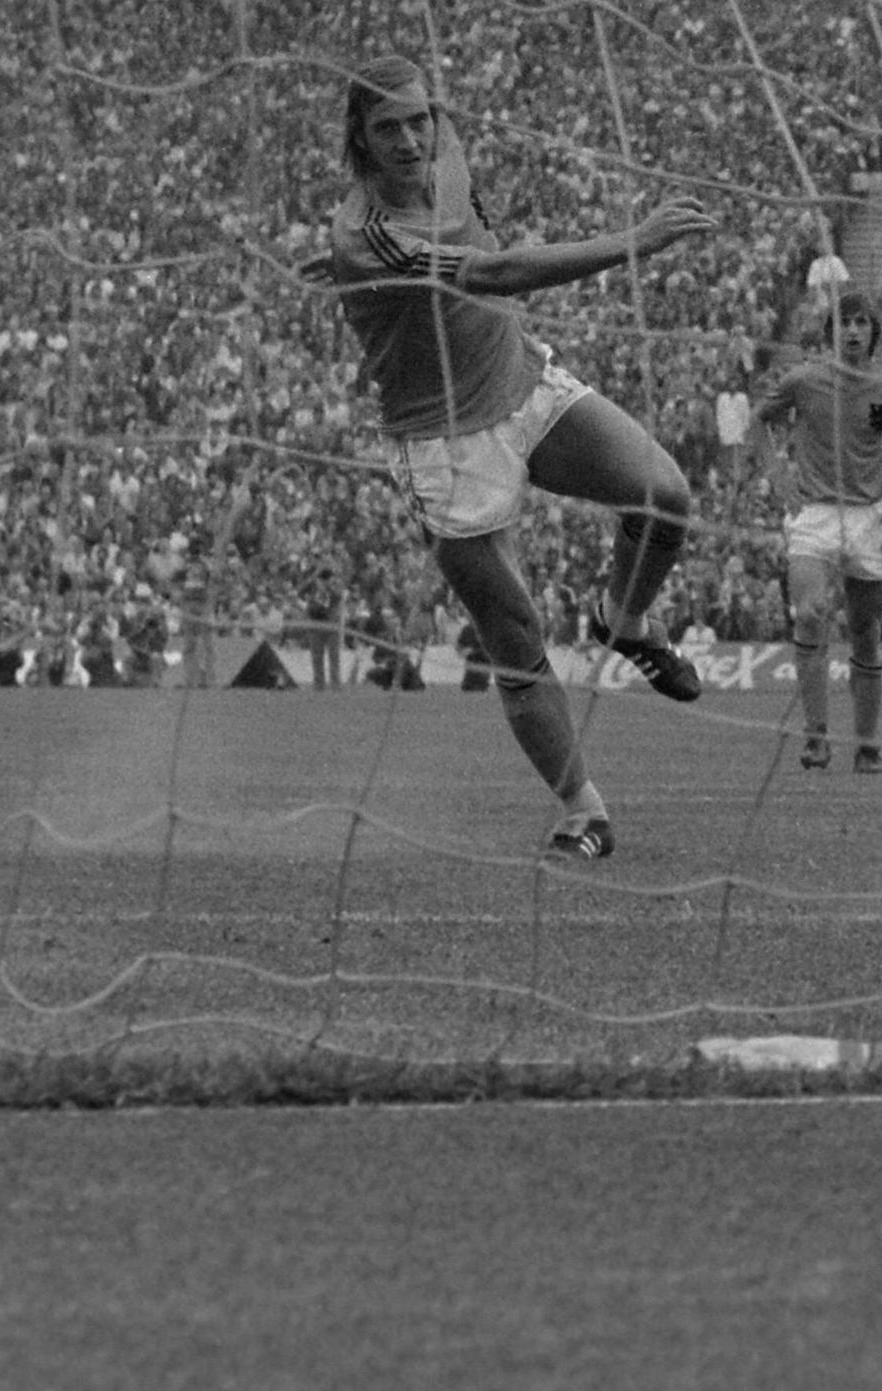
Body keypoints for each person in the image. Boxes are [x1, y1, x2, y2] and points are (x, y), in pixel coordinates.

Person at [299, 56, 717, 859]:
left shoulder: (447, 158)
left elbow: (465, 255)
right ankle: (583, 810)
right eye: (388, 127)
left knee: (664, 493)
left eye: (420, 118)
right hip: (444, 442)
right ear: (359, 136)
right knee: (515, 635)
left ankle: (624, 620)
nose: (412, 138)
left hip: (524, 383)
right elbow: (496, 271)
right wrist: (634, 241)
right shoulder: (366, 235)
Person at [756, 288, 882, 773]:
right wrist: (777, 478)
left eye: (862, 323)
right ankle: (816, 737)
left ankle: (867, 744)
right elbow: (759, 422)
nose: (854, 331)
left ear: (873, 332)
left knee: (865, 632)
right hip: (814, 514)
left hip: (868, 518)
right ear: (831, 332)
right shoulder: (804, 379)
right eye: (845, 323)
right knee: (811, 614)